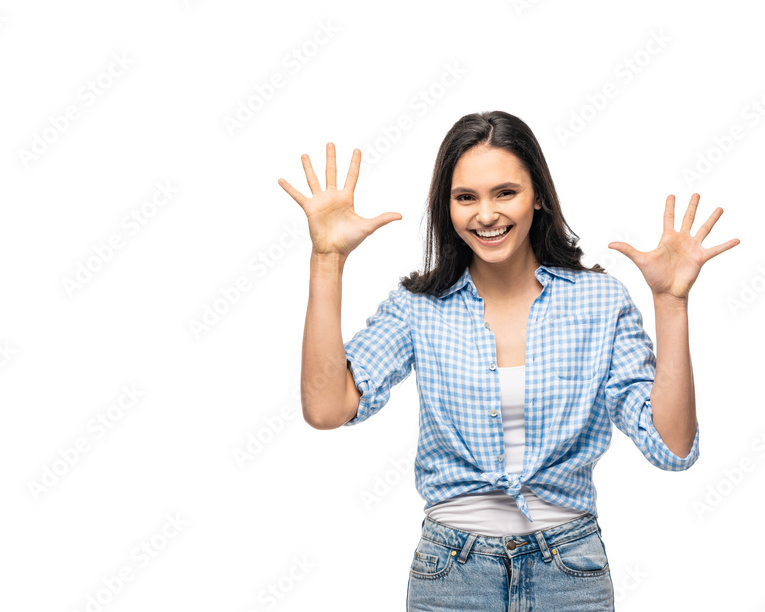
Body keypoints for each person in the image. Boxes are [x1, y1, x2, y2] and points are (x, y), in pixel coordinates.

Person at [278, 111, 739, 611]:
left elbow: (672, 447)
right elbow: (326, 409)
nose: (486, 214)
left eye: (505, 193)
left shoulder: (599, 301)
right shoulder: (418, 307)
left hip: (570, 571)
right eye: (466, 197)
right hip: (452, 574)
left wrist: (671, 304)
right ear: (446, 208)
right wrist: (327, 260)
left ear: (537, 196)